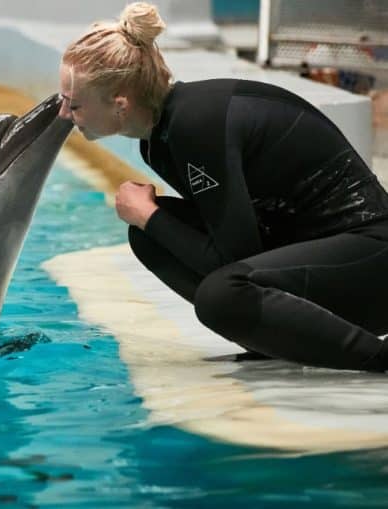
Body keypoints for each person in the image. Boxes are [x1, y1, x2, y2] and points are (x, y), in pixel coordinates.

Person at [57, 1, 388, 372]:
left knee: (221, 295)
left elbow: (232, 259)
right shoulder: (160, 140)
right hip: (321, 263)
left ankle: (378, 359)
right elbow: (235, 242)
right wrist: (151, 224)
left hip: (371, 263)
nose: (64, 115)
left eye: (74, 104)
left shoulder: (196, 125)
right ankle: (275, 338)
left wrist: (150, 215)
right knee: (150, 237)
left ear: (120, 105)